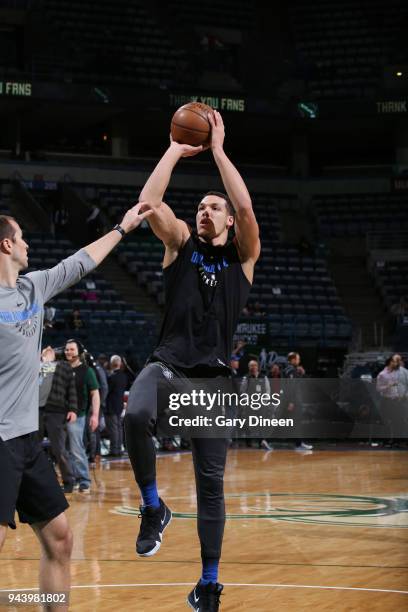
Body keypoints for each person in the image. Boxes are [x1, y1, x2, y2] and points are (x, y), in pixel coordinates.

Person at [124, 110, 260, 611]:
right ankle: (153, 506)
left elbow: (247, 212)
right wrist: (176, 150)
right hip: (169, 364)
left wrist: (219, 152)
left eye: (213, 207)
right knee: (136, 415)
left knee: (211, 486)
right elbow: (149, 203)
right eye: (200, 206)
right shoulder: (180, 243)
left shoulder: (242, 257)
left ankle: (208, 583)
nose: (205, 211)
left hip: (213, 383)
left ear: (226, 220)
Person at [0, 203, 153, 609]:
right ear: (6, 244)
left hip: (27, 439)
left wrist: (122, 228)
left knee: (61, 538)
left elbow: (80, 262)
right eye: (22, 237)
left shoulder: (33, 287)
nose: (28, 244)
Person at [39, 346, 78, 493]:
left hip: (57, 412)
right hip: (37, 410)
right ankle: (41, 479)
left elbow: (72, 390)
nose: (48, 351)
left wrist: (73, 410)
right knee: (34, 448)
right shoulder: (37, 366)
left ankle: (69, 480)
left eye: (50, 350)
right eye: (45, 351)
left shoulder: (63, 367)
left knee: (59, 449)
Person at [64, 339, 99, 492]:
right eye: (66, 349)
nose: (68, 352)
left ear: (79, 352)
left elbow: (95, 394)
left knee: (76, 448)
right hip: (60, 415)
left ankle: (84, 480)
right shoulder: (61, 368)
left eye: (71, 349)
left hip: (78, 415)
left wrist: (95, 415)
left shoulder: (87, 371)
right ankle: (72, 479)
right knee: (64, 451)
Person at [283, 352, 313, 452]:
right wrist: (291, 401)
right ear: (293, 360)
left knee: (295, 422)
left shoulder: (292, 370)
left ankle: (299, 443)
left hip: (294, 400)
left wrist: (301, 373)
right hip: (294, 400)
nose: (299, 361)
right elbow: (292, 386)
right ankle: (299, 444)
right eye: (297, 359)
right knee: (295, 422)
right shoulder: (291, 370)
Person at [105, 355, 128, 457]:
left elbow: (107, 391)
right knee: (119, 428)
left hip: (111, 406)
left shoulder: (111, 377)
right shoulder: (124, 376)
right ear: (120, 364)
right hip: (119, 405)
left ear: (111, 364)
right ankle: (119, 448)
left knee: (114, 429)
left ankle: (114, 450)